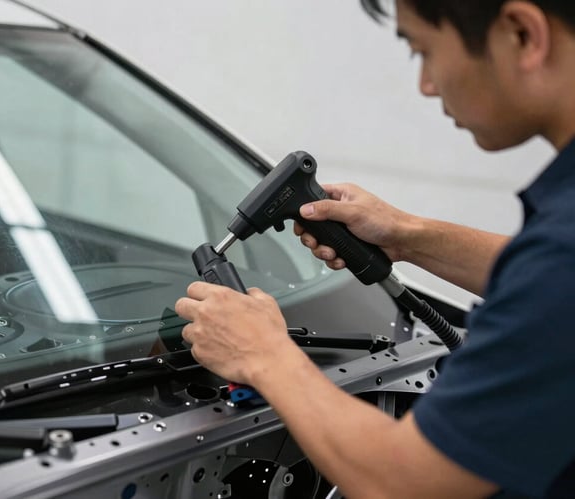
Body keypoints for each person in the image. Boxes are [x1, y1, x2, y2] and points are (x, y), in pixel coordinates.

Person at [174, 0, 575, 497]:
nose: (426, 85)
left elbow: (405, 485)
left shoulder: (560, 257)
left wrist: (264, 356)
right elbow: (542, 278)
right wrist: (406, 234)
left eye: (423, 51)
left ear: (521, 34)